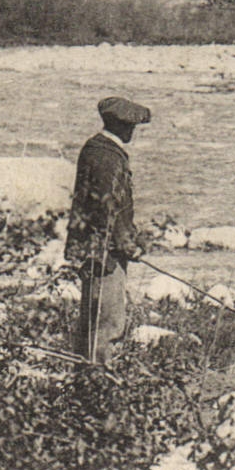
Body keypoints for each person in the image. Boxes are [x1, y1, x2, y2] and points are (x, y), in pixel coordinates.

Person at [65, 95, 151, 363]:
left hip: (94, 250)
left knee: (92, 323)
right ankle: (97, 379)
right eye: (131, 127)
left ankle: (86, 376)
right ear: (122, 126)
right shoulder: (108, 157)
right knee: (108, 324)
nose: (132, 132)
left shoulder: (95, 149)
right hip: (105, 255)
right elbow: (109, 208)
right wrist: (128, 245)